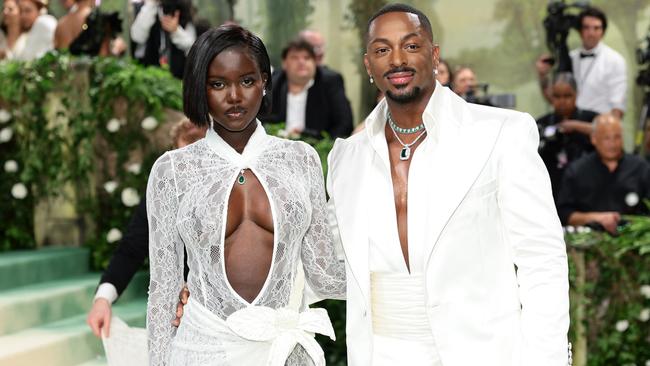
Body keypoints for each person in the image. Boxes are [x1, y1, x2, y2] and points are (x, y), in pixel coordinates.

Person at [327, 4, 569, 365]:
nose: (396, 60)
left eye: (410, 45)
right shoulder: (346, 158)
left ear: (434, 55)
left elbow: (542, 260)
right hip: (380, 353)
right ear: (368, 65)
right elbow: (329, 261)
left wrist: (545, 358)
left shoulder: (501, 133)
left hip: (483, 353)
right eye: (382, 50)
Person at [146, 25, 345, 365]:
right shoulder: (173, 171)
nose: (235, 96)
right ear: (200, 88)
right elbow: (164, 289)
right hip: (203, 348)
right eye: (218, 84)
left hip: (284, 352)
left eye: (247, 81)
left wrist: (399, 270)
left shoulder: (300, 160)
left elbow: (324, 275)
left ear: (265, 81)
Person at [86, 118, 206, 338]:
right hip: (178, 315)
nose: (192, 162)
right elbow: (132, 248)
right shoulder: (160, 194)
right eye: (184, 155)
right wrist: (102, 299)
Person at [557, 114, 650, 234]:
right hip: (588, 241)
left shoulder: (641, 167)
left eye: (617, 137)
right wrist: (597, 218)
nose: (613, 143)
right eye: (606, 138)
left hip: (633, 239)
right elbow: (564, 214)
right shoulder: (577, 170)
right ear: (594, 139)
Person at [536, 6, 627, 118]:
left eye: (596, 28)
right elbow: (555, 100)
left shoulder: (615, 60)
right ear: (579, 30)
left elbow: (618, 108)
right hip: (570, 126)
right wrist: (543, 76)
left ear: (603, 31)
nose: (591, 33)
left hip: (599, 127)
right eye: (586, 28)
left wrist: (600, 130)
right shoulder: (571, 58)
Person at [264, 38, 353, 138]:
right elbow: (261, 120)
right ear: (284, 63)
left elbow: (345, 124)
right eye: (295, 58)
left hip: (318, 147)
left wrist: (315, 139)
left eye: (307, 58)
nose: (301, 62)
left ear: (315, 63)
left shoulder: (330, 82)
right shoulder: (273, 83)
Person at [536, 72, 598, 199]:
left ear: (576, 94)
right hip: (551, 188)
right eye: (557, 96)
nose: (562, 101)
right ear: (551, 96)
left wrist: (575, 126)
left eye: (567, 96)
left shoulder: (590, 118)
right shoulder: (542, 123)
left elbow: (607, 132)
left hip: (586, 187)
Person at [130, 0, 196, 79]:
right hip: (151, 74)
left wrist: (176, 31)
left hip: (178, 76)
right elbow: (137, 37)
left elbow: (192, 46)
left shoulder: (183, 7)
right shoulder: (145, 7)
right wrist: (151, 5)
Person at [54, 0, 125, 56]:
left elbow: (60, 53)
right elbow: (104, 54)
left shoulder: (61, 24)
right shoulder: (98, 19)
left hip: (68, 73)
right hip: (93, 72)